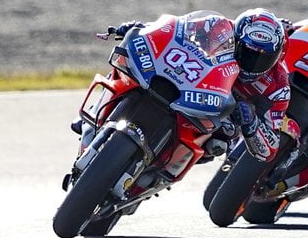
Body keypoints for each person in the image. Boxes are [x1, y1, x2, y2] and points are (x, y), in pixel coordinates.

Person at [103, 9, 290, 164]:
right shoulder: (217, 27)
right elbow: (174, 30)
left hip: (218, 116)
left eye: (264, 58)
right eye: (248, 53)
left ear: (278, 55)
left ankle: (165, 166)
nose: (253, 63)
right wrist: (143, 28)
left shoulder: (278, 86)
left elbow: (269, 149)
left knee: (222, 139)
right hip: (188, 84)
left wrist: (251, 124)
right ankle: (101, 111)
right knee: (129, 61)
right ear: (237, 39)